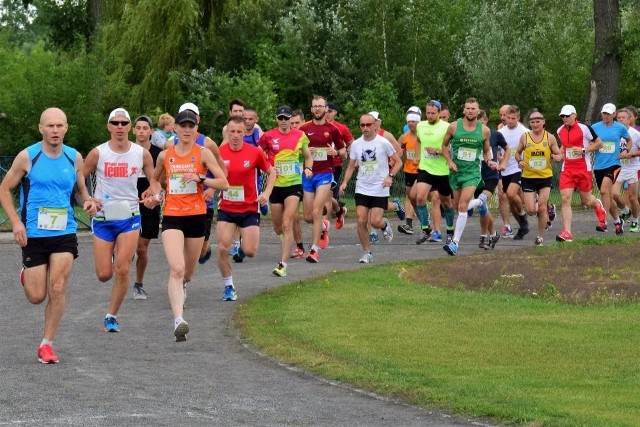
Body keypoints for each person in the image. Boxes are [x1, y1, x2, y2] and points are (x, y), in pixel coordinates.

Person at [0, 107, 99, 363]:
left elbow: (79, 191)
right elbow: (4, 188)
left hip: (64, 231)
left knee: (57, 286)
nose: (55, 130)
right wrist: (15, 223)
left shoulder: (74, 157)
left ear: (66, 128)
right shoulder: (27, 157)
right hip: (33, 232)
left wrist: (87, 201)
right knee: (36, 296)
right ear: (41, 128)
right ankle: (27, 274)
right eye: (50, 126)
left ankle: (47, 344)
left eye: (60, 126)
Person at [150, 109, 228, 342]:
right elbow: (155, 179)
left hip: (196, 217)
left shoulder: (203, 153)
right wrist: (156, 193)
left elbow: (224, 182)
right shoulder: (166, 155)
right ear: (175, 128)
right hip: (173, 216)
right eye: (182, 125)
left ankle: (183, 286)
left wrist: (202, 179)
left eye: (190, 126)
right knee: (177, 268)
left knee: (188, 273)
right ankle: (178, 320)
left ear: (196, 129)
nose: (186, 129)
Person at [83, 108, 161, 333]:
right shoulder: (98, 153)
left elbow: (153, 180)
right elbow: (80, 176)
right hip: (104, 218)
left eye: (123, 123)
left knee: (123, 269)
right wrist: (89, 198)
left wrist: (157, 196)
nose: (119, 126)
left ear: (129, 127)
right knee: (104, 274)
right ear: (109, 126)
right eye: (114, 123)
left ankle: (111, 316)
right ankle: (116, 257)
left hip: (130, 217)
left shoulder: (141, 153)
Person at [217, 116, 276, 299]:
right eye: (232, 131)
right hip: (226, 207)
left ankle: (242, 248)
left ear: (244, 132)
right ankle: (229, 286)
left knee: (250, 251)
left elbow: (271, 172)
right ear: (227, 132)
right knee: (222, 248)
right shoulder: (219, 152)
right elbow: (211, 174)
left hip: (249, 207)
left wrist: (266, 194)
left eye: (239, 132)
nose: (235, 135)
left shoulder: (254, 152)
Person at [167, 103, 228, 268]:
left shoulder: (207, 144)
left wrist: (211, 189)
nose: (187, 127)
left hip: (202, 202)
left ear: (197, 120)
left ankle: (202, 251)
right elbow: (164, 175)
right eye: (183, 121)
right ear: (176, 125)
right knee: (178, 252)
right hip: (176, 206)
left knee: (199, 252)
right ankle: (180, 273)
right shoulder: (169, 145)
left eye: (191, 119)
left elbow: (223, 171)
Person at [339, 113, 402, 263]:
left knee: (374, 221)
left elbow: (398, 162)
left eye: (368, 125)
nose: (365, 128)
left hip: (380, 187)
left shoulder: (383, 143)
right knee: (361, 220)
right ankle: (367, 252)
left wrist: (390, 176)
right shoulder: (356, 144)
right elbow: (350, 166)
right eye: (362, 125)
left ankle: (384, 224)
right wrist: (345, 182)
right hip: (362, 186)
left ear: (375, 125)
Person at [258, 106, 313, 277]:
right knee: (277, 227)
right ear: (276, 119)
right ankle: (286, 239)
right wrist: (266, 166)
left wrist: (308, 168)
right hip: (275, 185)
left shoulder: (299, 136)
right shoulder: (268, 136)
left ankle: (282, 265)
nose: (283, 121)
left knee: (288, 222)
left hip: (293, 184)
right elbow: (259, 155)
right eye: (280, 118)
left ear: (291, 119)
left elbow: (307, 156)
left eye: (286, 118)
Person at [440, 98, 497, 255]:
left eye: (473, 108)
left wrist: (489, 161)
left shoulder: (484, 130)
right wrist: (450, 161)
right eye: (468, 108)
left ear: (478, 112)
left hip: (472, 173)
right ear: (463, 110)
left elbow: (486, 151)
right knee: (459, 206)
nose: (470, 111)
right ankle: (480, 202)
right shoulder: (453, 127)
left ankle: (454, 244)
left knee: (463, 206)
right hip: (456, 172)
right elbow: (444, 146)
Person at [299, 95, 346, 263]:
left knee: (317, 209)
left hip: (325, 173)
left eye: (321, 106)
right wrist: (305, 153)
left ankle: (314, 250)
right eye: (315, 106)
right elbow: (295, 152)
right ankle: (325, 225)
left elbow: (343, 152)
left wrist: (336, 153)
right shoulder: (303, 129)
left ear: (326, 109)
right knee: (308, 217)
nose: (318, 109)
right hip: (308, 174)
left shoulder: (332, 129)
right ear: (311, 109)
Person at [555, 105, 607, 242]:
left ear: (574, 115)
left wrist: (584, 150)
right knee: (565, 199)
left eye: (567, 116)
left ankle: (597, 205)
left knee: (586, 200)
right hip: (567, 169)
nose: (564, 118)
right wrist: (559, 155)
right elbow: (564, 146)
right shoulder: (560, 130)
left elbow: (599, 143)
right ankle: (567, 232)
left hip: (584, 169)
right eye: (562, 116)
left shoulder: (585, 129)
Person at [514, 111, 563, 245]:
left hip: (545, 177)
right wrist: (520, 161)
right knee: (530, 210)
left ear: (543, 122)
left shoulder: (550, 138)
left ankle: (539, 237)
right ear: (529, 123)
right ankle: (549, 207)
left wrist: (556, 157)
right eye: (532, 122)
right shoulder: (525, 137)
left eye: (538, 122)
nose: (535, 124)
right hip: (528, 177)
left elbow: (559, 155)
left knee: (541, 208)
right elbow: (517, 153)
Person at [413, 100, 454, 244]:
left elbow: (451, 150)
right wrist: (417, 156)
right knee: (420, 198)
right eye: (428, 113)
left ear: (438, 113)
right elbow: (418, 140)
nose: (430, 116)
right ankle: (426, 229)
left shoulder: (447, 127)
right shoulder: (421, 126)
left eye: (433, 113)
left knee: (446, 203)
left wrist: (437, 151)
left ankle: (450, 231)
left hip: (442, 170)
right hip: (426, 168)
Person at [132, 115, 162, 300]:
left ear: (151, 131)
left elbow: (163, 180)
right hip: (129, 198)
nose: (142, 131)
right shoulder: (126, 150)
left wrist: (157, 193)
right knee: (128, 247)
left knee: (141, 248)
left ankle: (138, 284)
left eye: (145, 128)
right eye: (139, 128)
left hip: (150, 200)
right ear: (134, 131)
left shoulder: (159, 153)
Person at [591, 103, 631, 235]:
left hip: (614, 164)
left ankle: (603, 222)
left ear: (614, 114)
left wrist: (626, 150)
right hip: (599, 165)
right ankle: (617, 221)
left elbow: (629, 140)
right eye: (604, 113)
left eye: (608, 114)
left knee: (603, 191)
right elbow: (589, 141)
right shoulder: (595, 127)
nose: (606, 116)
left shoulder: (620, 128)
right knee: (607, 195)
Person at [475, 109, 509, 249]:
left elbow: (507, 149)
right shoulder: (472, 136)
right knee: (482, 208)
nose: (479, 125)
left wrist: (503, 163)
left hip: (491, 175)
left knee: (482, 202)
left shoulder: (495, 135)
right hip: (476, 176)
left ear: (486, 120)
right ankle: (493, 234)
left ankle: (484, 236)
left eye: (481, 121)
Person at [498, 105, 530, 240]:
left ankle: (523, 216)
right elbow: (497, 150)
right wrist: (500, 159)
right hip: (506, 169)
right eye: (508, 118)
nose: (510, 121)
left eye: (513, 118)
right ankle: (522, 226)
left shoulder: (525, 132)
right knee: (512, 202)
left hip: (519, 168)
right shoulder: (501, 132)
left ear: (518, 118)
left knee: (511, 194)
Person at [325, 102, 354, 229]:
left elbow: (351, 142)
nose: (327, 113)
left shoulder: (341, 128)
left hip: (335, 165)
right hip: (318, 166)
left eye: (330, 111)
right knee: (322, 195)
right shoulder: (316, 126)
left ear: (335, 113)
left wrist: (347, 153)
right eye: (325, 111)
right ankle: (339, 210)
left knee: (327, 195)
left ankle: (323, 231)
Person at [612, 108, 640, 232]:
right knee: (613, 194)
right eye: (619, 118)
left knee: (633, 198)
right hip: (619, 168)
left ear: (629, 120)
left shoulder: (635, 134)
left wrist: (631, 154)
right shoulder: (614, 133)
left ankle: (635, 221)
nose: (621, 120)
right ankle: (625, 210)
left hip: (632, 169)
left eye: (624, 118)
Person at [397, 109, 421, 234]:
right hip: (408, 170)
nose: (411, 123)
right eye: (409, 121)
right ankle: (410, 224)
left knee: (415, 195)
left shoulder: (422, 136)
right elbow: (396, 152)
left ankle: (425, 220)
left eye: (413, 121)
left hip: (421, 170)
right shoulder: (404, 137)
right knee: (410, 197)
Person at [289, 109, 307, 258]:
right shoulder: (285, 138)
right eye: (292, 123)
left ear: (303, 122)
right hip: (293, 181)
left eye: (297, 123)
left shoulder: (308, 136)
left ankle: (337, 208)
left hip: (310, 179)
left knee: (310, 215)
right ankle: (299, 246)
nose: (294, 126)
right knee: (293, 216)